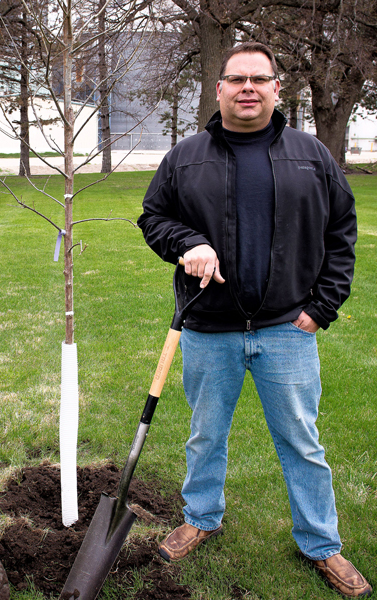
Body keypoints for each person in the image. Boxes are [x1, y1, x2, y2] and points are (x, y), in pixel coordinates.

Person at [138, 42, 371, 598]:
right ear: (218, 88)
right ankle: (201, 517)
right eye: (237, 78)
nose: (248, 88)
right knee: (205, 435)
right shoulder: (186, 156)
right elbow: (153, 218)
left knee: (302, 442)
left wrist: (322, 308)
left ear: (276, 88)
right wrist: (188, 242)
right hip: (208, 328)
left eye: (259, 79)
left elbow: (342, 235)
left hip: (287, 328)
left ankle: (322, 544)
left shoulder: (311, 155)